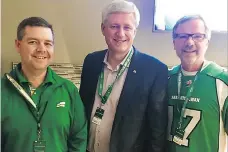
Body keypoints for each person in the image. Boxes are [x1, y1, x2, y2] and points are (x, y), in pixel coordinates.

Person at [79, 1, 168, 152]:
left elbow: (157, 131)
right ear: (103, 29)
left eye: (127, 27)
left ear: (135, 31)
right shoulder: (91, 62)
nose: (120, 33)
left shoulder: (154, 70)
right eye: (114, 26)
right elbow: (81, 111)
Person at [1, 17, 87, 152]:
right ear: (18, 45)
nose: (41, 49)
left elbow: (78, 139)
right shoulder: (2, 90)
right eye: (33, 42)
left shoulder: (69, 90)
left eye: (48, 43)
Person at [167, 15, 228, 152]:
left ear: (207, 41)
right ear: (174, 42)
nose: (189, 42)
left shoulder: (222, 81)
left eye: (197, 36)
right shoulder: (165, 79)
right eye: (182, 36)